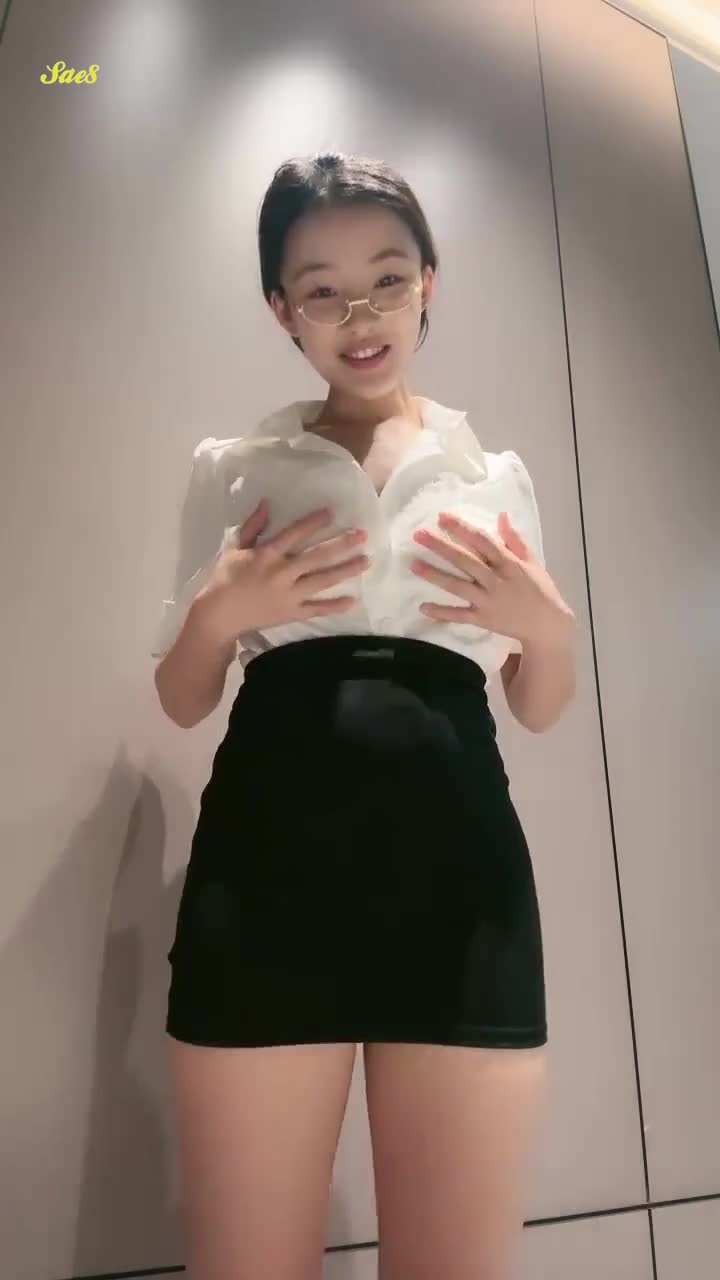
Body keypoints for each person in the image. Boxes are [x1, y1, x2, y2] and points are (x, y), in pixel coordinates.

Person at [152, 152, 577, 1280]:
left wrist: (550, 631)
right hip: (267, 884)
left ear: (428, 280)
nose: (361, 315)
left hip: (462, 895)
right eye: (323, 290)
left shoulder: (493, 473)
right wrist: (218, 613)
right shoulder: (236, 469)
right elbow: (183, 696)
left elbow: (538, 706)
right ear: (281, 309)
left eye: (388, 279)